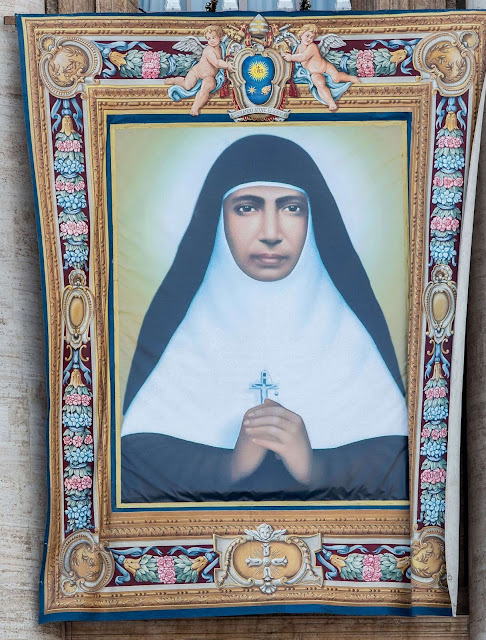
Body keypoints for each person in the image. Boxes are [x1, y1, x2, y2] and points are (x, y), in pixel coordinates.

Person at [121, 135, 408, 504]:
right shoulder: (183, 337)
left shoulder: (353, 339)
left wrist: (316, 468)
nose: (271, 233)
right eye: (247, 208)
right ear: (218, 218)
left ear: (313, 219)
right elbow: (133, 474)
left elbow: (400, 475)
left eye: (291, 208)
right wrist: (229, 468)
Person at [281, 24, 360, 112]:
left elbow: (303, 57)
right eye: (307, 36)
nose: (309, 39)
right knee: (320, 84)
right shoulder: (299, 47)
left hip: (325, 67)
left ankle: (350, 78)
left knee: (336, 78)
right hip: (314, 73)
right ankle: (331, 102)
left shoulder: (312, 46)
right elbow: (296, 58)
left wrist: (291, 57)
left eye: (312, 37)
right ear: (301, 34)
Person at [164, 25, 234, 117]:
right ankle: (174, 80)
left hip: (210, 76)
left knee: (206, 87)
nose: (211, 40)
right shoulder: (209, 50)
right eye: (208, 39)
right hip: (196, 73)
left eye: (213, 37)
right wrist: (227, 65)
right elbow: (216, 63)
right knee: (187, 85)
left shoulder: (222, 48)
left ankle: (195, 108)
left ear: (220, 37)